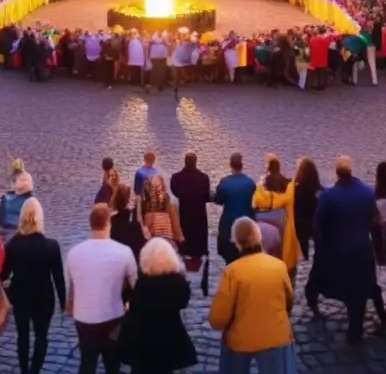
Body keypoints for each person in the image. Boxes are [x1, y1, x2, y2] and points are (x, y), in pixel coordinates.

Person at [308, 156, 385, 344]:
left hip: (338, 251)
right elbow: (374, 221)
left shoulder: (329, 196)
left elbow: (317, 224)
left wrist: (323, 243)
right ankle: (357, 330)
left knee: (326, 283)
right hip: (362, 249)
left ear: (337, 172)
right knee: (361, 291)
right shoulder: (367, 193)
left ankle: (316, 308)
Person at [208, 217, 295, 374]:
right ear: (258, 237)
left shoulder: (232, 271)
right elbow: (289, 301)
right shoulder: (279, 266)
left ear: (237, 243)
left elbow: (218, 318)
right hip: (275, 336)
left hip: (241, 339)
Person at [66, 204, 138, 374]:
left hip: (83, 317)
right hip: (113, 317)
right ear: (109, 224)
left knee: (87, 363)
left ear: (90, 224)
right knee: (112, 364)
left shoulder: (74, 253)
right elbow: (136, 286)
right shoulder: (124, 252)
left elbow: (73, 287)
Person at [2, 198, 66, 374]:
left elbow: (4, 274)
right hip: (43, 298)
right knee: (41, 337)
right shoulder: (51, 246)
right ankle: (34, 371)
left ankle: (24, 370)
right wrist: (64, 302)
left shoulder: (12, 245)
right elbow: (58, 278)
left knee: (22, 337)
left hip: (20, 297)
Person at [120, 238, 197, 373]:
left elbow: (134, 306)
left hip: (143, 339)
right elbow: (183, 302)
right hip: (169, 338)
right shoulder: (178, 283)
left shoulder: (142, 284)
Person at [169, 152, 210, 267]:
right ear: (196, 162)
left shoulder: (176, 177)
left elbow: (174, 192)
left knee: (183, 248)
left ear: (185, 162)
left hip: (183, 214)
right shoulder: (204, 178)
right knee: (198, 249)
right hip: (199, 216)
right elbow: (206, 197)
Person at [214, 153, 255, 264]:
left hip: (228, 229)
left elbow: (218, 200)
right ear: (242, 165)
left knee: (230, 262)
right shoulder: (250, 183)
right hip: (247, 230)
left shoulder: (225, 182)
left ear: (231, 165)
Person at [108, 184, 146, 261]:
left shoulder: (112, 220)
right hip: (135, 257)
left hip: (119, 258)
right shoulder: (135, 216)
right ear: (129, 198)